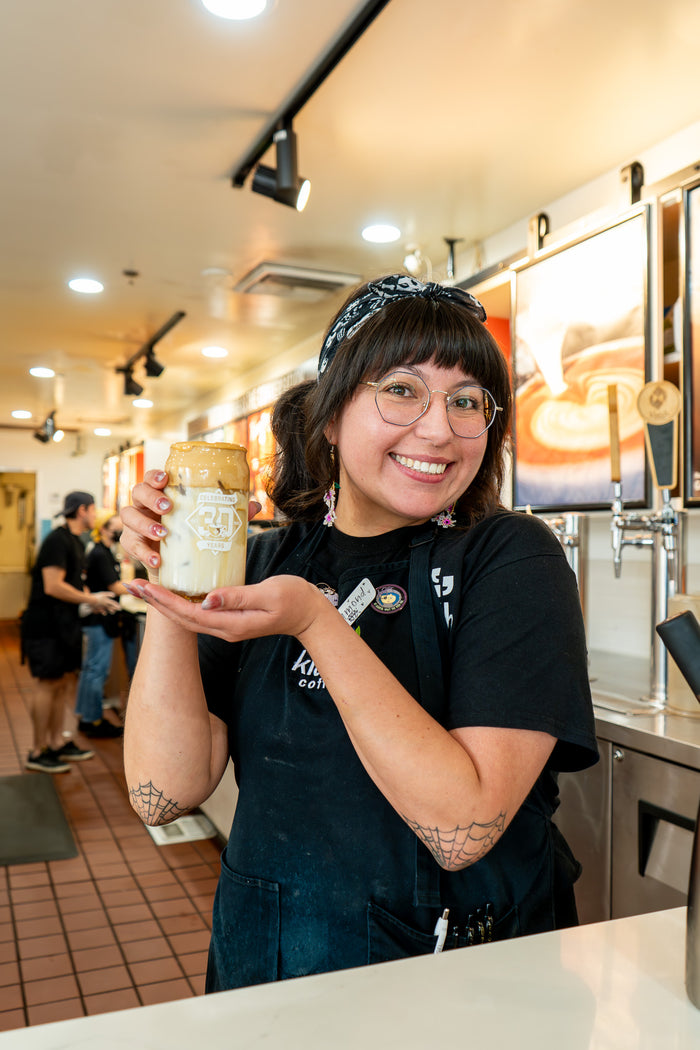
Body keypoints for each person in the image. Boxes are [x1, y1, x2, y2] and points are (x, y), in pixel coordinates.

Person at [120, 274, 598, 991]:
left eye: (467, 401)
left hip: (452, 992)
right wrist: (167, 580)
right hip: (264, 966)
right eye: (401, 389)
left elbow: (460, 827)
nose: (438, 429)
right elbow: (163, 793)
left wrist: (316, 622)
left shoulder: (510, 557)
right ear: (330, 416)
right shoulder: (266, 563)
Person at [21, 491, 120, 773]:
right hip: (45, 627)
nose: (96, 515)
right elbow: (53, 585)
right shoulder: (57, 540)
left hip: (66, 626)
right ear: (82, 510)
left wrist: (94, 602)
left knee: (62, 683)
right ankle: (37, 750)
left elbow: (76, 584)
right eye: (93, 509)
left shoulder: (76, 542)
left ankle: (55, 743)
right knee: (47, 685)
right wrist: (92, 600)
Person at [74, 510, 129, 738]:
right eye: (117, 528)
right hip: (99, 619)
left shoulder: (104, 551)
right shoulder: (100, 553)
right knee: (96, 671)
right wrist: (147, 587)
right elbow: (115, 587)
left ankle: (86, 716)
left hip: (97, 619)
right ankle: (93, 719)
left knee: (90, 669)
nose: (121, 532)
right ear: (104, 528)